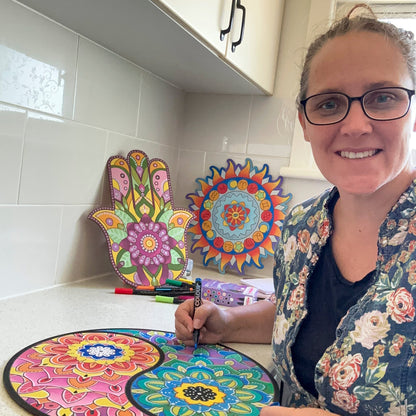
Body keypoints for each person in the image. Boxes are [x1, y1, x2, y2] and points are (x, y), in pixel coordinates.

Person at [175, 3, 416, 415]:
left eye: (383, 98)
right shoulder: (301, 227)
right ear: (304, 122)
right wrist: (227, 322)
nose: (356, 125)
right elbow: (297, 314)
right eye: (329, 104)